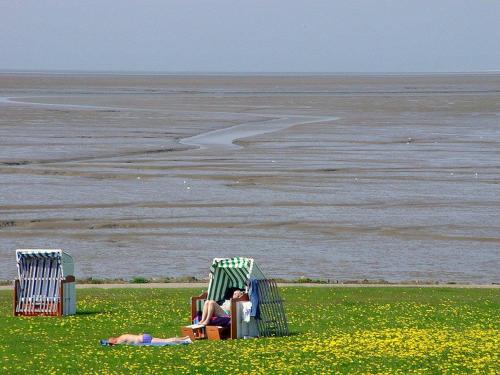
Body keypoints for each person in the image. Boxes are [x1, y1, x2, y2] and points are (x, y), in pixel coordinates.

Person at [105, 333, 192, 346]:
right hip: (144, 336)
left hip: (144, 340)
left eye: (111, 343)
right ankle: (184, 338)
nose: (111, 344)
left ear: (114, 340)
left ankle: (185, 341)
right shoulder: (122, 336)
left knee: (166, 341)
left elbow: (117, 345)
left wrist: (109, 345)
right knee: (166, 339)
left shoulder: (120, 340)